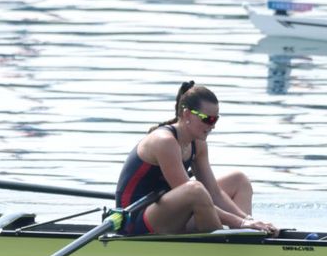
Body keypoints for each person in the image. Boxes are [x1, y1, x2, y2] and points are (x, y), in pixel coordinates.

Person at [114, 81, 278, 236]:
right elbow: (192, 193)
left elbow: (214, 193)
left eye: (216, 119)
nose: (212, 126)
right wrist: (239, 222)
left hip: (168, 212)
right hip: (134, 219)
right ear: (187, 114)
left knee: (239, 180)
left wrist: (247, 220)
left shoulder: (197, 143)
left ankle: (246, 235)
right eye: (208, 119)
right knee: (195, 190)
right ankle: (225, 245)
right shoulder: (165, 142)